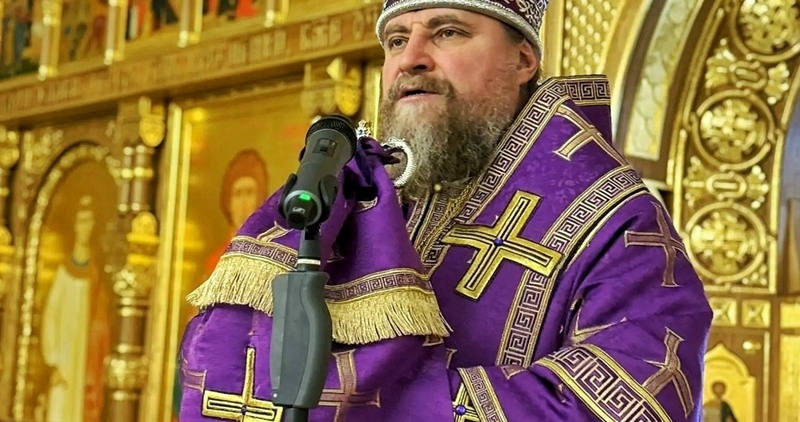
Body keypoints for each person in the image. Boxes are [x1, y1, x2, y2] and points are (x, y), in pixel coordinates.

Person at [178, 0, 713, 421]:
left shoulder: (614, 219)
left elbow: (636, 398)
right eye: (396, 40)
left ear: (523, 59)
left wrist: (377, 400)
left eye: (448, 32)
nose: (411, 57)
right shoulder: (355, 200)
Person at [41, 195, 111, 422]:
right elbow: (51, 316)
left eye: (89, 221)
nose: (85, 227)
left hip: (87, 360)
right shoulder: (63, 273)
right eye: (81, 221)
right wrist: (54, 359)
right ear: (75, 225)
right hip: (64, 359)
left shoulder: (96, 274)